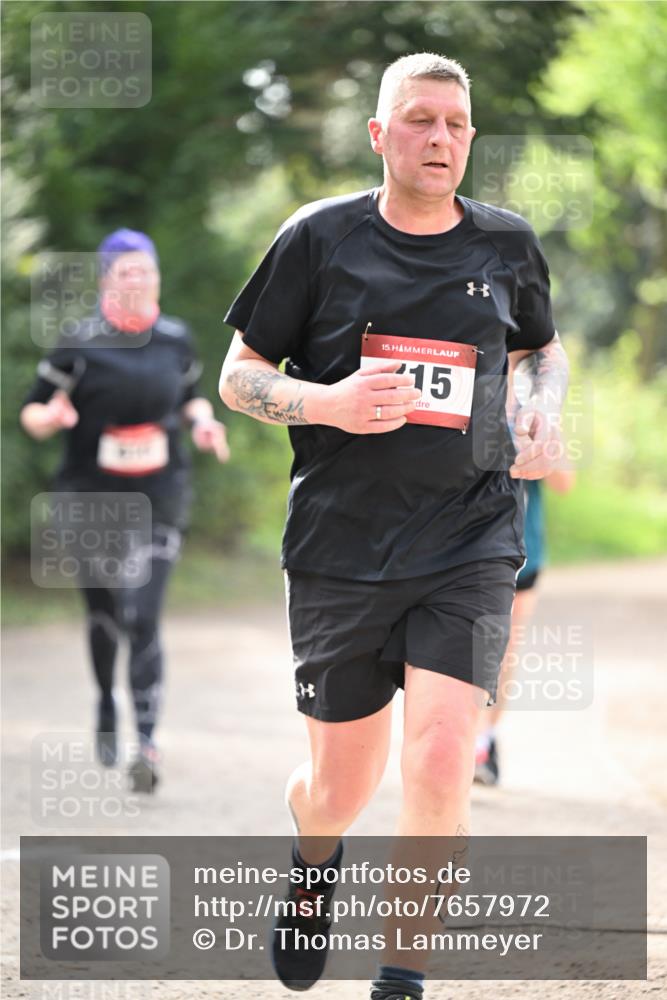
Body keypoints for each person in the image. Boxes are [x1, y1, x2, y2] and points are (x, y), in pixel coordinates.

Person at [220, 52, 569, 1000]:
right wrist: (324, 402)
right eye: (419, 120)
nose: (440, 140)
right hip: (339, 549)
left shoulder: (505, 245)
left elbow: (540, 350)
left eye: (456, 125)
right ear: (380, 134)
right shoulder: (319, 239)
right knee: (340, 784)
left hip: (470, 539)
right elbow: (238, 374)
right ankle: (312, 857)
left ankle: (400, 975)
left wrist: (543, 407)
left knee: (445, 755)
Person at [21, 229, 229, 793]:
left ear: (157, 277)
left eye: (147, 270)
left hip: (160, 492)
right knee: (106, 614)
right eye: (126, 271)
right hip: (90, 494)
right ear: (107, 280)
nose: (138, 280)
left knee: (142, 611)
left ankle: (148, 741)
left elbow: (190, 396)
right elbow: (33, 412)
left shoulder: (175, 339)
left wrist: (203, 422)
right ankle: (107, 702)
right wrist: (53, 418)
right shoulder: (78, 343)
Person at [474, 471, 576, 786]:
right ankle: (462, 738)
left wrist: (533, 443)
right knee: (465, 645)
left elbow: (564, 481)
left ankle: (484, 741)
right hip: (463, 547)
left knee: (503, 648)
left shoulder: (535, 419)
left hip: (522, 550)